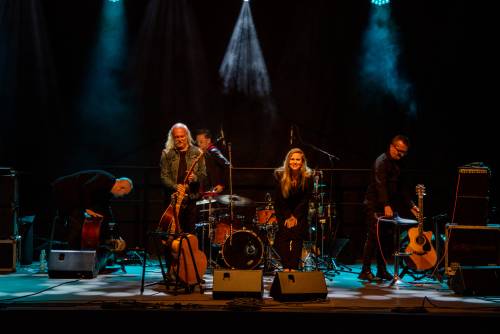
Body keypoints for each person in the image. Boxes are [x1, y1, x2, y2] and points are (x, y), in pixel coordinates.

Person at [358, 135, 419, 281]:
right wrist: (385, 204)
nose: (401, 155)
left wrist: (411, 205)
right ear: (392, 146)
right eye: (399, 151)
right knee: (373, 237)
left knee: (386, 239)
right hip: (375, 204)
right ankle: (365, 270)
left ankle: (381, 269)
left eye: (404, 152)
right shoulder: (381, 162)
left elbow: (402, 188)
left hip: (389, 206)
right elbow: (380, 185)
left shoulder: (400, 164)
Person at [51, 170, 133, 272]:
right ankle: (71, 261)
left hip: (74, 198)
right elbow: (85, 187)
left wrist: (117, 236)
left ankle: (79, 259)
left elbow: (107, 212)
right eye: (123, 194)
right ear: (121, 187)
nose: (121, 197)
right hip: (63, 190)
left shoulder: (107, 192)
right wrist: (86, 208)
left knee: (81, 219)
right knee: (76, 222)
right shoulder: (105, 178)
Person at [159, 122, 206, 235]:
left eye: (182, 136)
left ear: (187, 136)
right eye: (177, 137)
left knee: (190, 234)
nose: (180, 139)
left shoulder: (197, 152)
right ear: (172, 138)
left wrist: (195, 178)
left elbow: (203, 174)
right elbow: (163, 176)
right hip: (173, 200)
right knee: (172, 233)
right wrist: (176, 186)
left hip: (191, 199)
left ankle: (188, 253)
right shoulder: (167, 153)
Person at [273, 148, 313, 271]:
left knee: (297, 237)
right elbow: (279, 199)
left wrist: (295, 216)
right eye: (292, 159)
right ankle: (286, 267)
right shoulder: (279, 175)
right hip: (283, 210)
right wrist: (288, 216)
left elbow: (305, 199)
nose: (294, 162)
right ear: (288, 160)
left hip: (299, 212)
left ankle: (294, 267)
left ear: (302, 162)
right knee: (284, 237)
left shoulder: (308, 176)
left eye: (297, 159)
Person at [195, 128, 230, 195]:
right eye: (197, 142)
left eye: (201, 142)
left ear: (208, 140)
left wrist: (222, 184)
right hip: (206, 191)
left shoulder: (213, 151)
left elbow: (228, 166)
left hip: (215, 191)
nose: (198, 144)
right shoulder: (203, 152)